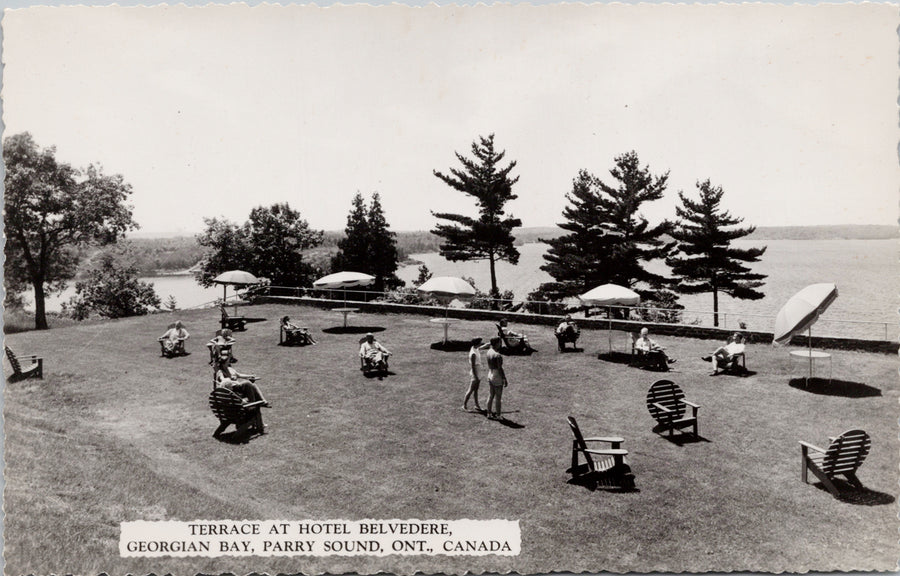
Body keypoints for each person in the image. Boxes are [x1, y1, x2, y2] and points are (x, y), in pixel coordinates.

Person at [214, 352, 270, 432]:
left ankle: (262, 401)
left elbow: (239, 375)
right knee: (247, 383)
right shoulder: (220, 372)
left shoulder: (230, 369)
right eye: (227, 361)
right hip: (233, 389)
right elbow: (222, 380)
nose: (229, 362)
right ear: (223, 363)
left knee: (251, 385)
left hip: (238, 389)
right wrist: (230, 380)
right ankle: (256, 404)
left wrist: (249, 376)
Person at [485, 337, 508, 420]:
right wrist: (504, 378)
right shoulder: (497, 355)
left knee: (491, 395)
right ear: (497, 343)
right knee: (498, 397)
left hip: (490, 373)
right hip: (496, 375)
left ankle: (489, 413)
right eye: (499, 342)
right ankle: (498, 415)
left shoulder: (489, 351)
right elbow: (500, 368)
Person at [463, 337, 485, 412]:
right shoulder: (473, 354)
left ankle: (477, 405)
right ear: (477, 343)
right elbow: (473, 366)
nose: (481, 343)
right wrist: (475, 376)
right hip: (475, 372)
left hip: (478, 371)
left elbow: (483, 346)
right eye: (480, 342)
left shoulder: (475, 348)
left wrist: (490, 343)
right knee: (471, 389)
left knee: (476, 390)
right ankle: (464, 405)